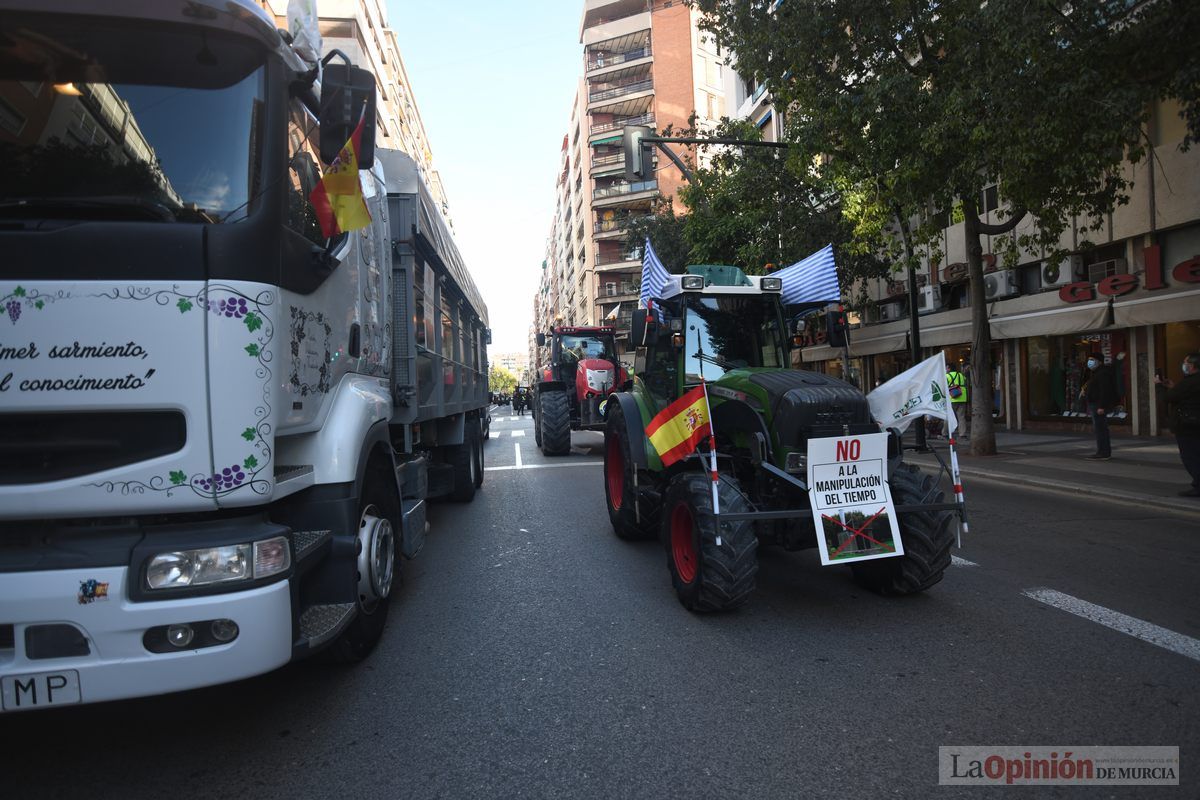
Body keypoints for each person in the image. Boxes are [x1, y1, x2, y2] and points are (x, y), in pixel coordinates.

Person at [1158, 352, 1200, 497]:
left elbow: (1169, 398)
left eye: (1186, 363)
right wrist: (1174, 387)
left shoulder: (1190, 381)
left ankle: (1199, 485)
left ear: (1193, 366)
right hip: (1194, 423)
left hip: (1188, 424)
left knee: (1191, 456)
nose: (1184, 366)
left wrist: (1160, 387)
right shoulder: (1191, 382)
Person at [1082, 354, 1122, 460]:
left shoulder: (1103, 373)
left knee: (1101, 429)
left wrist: (1102, 406)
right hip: (1096, 404)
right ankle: (1102, 451)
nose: (1089, 362)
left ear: (1099, 361)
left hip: (1098, 404)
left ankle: (1103, 452)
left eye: (1092, 359)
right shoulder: (1097, 373)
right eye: (1089, 359)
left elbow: (1105, 391)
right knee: (1100, 429)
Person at [946, 361, 969, 439]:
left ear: (949, 368)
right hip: (962, 397)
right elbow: (965, 382)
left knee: (948, 416)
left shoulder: (947, 376)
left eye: (946, 367)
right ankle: (962, 434)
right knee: (961, 417)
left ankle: (945, 432)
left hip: (952, 398)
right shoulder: (961, 375)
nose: (946, 369)